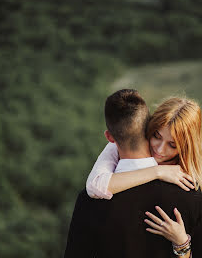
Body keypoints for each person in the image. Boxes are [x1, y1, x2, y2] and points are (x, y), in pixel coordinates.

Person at [64, 89, 202, 258]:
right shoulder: (193, 198)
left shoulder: (89, 201)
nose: (159, 149)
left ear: (186, 147)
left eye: (172, 145)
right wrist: (157, 171)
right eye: (156, 136)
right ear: (147, 129)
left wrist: (182, 244)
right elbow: (97, 183)